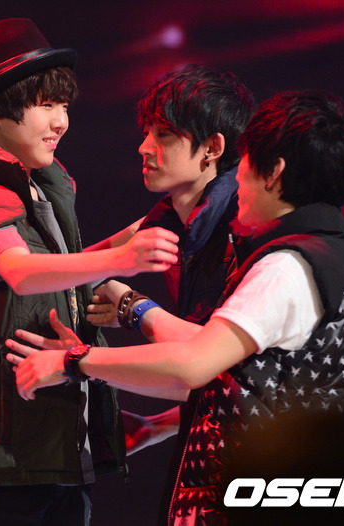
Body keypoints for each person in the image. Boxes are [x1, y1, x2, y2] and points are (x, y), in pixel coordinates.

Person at [6, 90, 344, 525]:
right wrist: (149, 416)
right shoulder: (339, 260)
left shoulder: (287, 266)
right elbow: (240, 383)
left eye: (245, 163)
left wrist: (74, 361)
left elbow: (192, 365)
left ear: (274, 172)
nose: (236, 180)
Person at [0, 18, 178, 526]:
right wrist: (123, 259)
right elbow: (22, 273)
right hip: (5, 459)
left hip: (51, 450)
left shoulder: (38, 185)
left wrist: (142, 231)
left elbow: (57, 271)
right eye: (46, 104)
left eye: (65, 106)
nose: (61, 122)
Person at [87, 64, 254, 458]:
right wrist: (155, 428)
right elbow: (74, 267)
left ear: (212, 148)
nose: (144, 147)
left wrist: (131, 307)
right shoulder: (166, 221)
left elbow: (232, 372)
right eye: (146, 132)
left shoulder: (248, 231)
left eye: (163, 134)